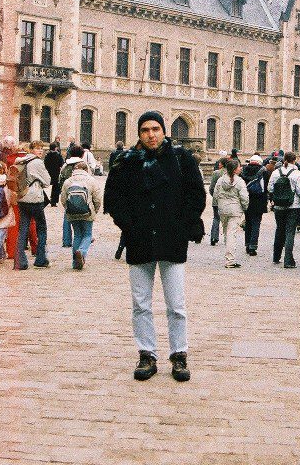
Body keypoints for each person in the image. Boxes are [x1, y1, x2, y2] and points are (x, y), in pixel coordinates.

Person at [104, 111, 206, 382]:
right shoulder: (127, 162)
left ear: (163, 131)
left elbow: (196, 194)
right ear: (139, 133)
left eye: (155, 129)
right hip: (139, 240)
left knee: (176, 304)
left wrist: (182, 224)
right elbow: (113, 198)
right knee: (141, 303)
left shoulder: (181, 159)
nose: (151, 135)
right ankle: (146, 354)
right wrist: (129, 225)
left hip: (172, 239)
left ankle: (179, 355)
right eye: (145, 130)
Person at [14, 140, 52, 269]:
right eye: (37, 148)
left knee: (23, 229)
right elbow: (47, 181)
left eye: (41, 148)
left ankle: (20, 260)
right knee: (41, 228)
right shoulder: (38, 162)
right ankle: (40, 259)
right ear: (31, 150)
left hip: (22, 197)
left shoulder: (21, 161)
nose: (40, 150)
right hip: (35, 198)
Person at [60, 160, 103, 270]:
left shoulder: (68, 181)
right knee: (87, 235)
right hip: (87, 212)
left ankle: (75, 263)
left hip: (72, 213)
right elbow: (97, 199)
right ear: (86, 170)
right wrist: (94, 211)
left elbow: (63, 199)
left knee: (77, 235)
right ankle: (82, 252)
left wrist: (68, 209)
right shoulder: (91, 180)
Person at [268, 152, 300, 268]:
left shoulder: (276, 172)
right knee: (290, 232)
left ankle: (276, 256)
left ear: (284, 160)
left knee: (279, 229)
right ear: (294, 160)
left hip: (278, 205)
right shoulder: (297, 173)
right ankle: (288, 260)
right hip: (293, 205)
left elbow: (270, 188)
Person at [214, 158, 249, 268]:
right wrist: (245, 208)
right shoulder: (240, 181)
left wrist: (219, 205)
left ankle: (228, 255)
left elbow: (215, 195)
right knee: (231, 234)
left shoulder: (220, 180)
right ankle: (230, 259)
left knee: (226, 232)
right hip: (235, 210)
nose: (241, 168)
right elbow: (244, 197)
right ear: (234, 170)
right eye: (239, 167)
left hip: (223, 209)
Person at [240, 155, 268, 256]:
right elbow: (266, 187)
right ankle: (253, 246)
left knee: (248, 223)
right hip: (259, 200)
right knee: (256, 223)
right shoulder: (263, 172)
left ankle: (247, 245)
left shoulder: (243, 171)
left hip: (246, 200)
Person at [58, 146, 83, 248]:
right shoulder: (82, 164)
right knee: (82, 216)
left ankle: (66, 240)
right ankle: (82, 238)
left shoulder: (65, 165)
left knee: (67, 217)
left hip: (68, 192)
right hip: (81, 192)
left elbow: (60, 179)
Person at [208, 157, 226, 246]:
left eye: (219, 163)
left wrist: (214, 196)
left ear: (222, 164)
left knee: (216, 218)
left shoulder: (216, 173)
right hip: (227, 200)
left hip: (217, 199)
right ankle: (227, 238)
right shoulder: (231, 173)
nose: (218, 164)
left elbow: (211, 188)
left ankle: (213, 237)